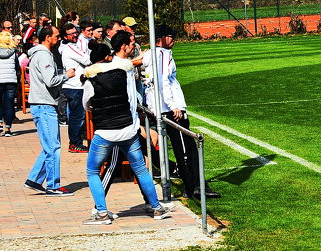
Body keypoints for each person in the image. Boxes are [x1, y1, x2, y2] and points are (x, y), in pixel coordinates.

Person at [81, 35, 174, 224]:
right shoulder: (123, 73)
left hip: (105, 131)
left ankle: (101, 213)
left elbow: (87, 105)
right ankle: (156, 207)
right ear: (108, 57)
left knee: (92, 171)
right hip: (127, 128)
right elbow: (132, 96)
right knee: (140, 169)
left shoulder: (91, 81)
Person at [147, 23, 221, 198]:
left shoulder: (150, 54)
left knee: (187, 147)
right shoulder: (162, 54)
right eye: (170, 36)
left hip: (163, 107)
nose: (174, 39)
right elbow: (163, 81)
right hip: (171, 110)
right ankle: (194, 187)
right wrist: (173, 106)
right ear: (161, 38)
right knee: (186, 149)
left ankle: (196, 184)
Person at [24, 24, 77, 196]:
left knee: (49, 145)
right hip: (44, 105)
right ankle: (53, 185)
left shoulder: (40, 54)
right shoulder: (44, 55)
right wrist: (66, 76)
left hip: (43, 104)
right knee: (53, 146)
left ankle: (35, 179)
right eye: (56, 35)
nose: (58, 38)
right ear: (47, 38)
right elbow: (50, 81)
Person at [57, 21, 90, 152]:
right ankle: (75, 143)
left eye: (76, 32)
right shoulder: (69, 47)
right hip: (75, 86)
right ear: (65, 37)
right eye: (71, 34)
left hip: (73, 86)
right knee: (77, 117)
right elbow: (87, 59)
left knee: (77, 116)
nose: (75, 35)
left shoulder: (69, 46)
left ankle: (76, 142)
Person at [0, 30, 21, 136]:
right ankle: (8, 129)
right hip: (11, 81)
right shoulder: (13, 53)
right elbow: (17, 69)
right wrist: (17, 81)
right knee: (9, 105)